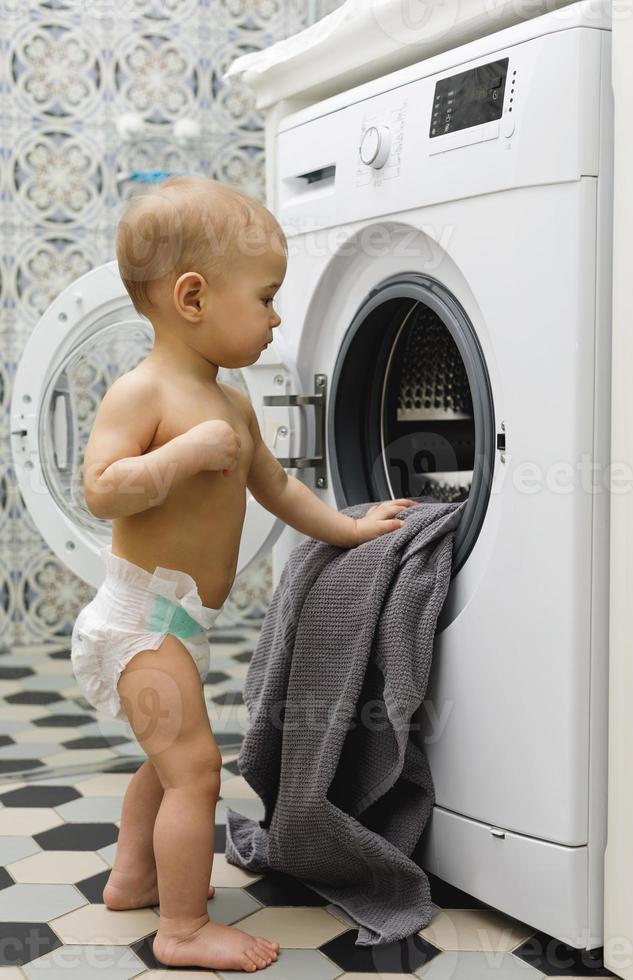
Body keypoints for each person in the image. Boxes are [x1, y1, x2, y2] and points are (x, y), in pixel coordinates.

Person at [71, 175, 417, 972]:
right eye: (265, 297)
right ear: (193, 298)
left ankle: (131, 878)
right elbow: (101, 488)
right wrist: (178, 456)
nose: (276, 316)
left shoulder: (231, 405)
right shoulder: (144, 393)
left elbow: (279, 487)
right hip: (135, 622)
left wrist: (350, 526)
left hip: (172, 622)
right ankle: (183, 928)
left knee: (167, 762)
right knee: (195, 769)